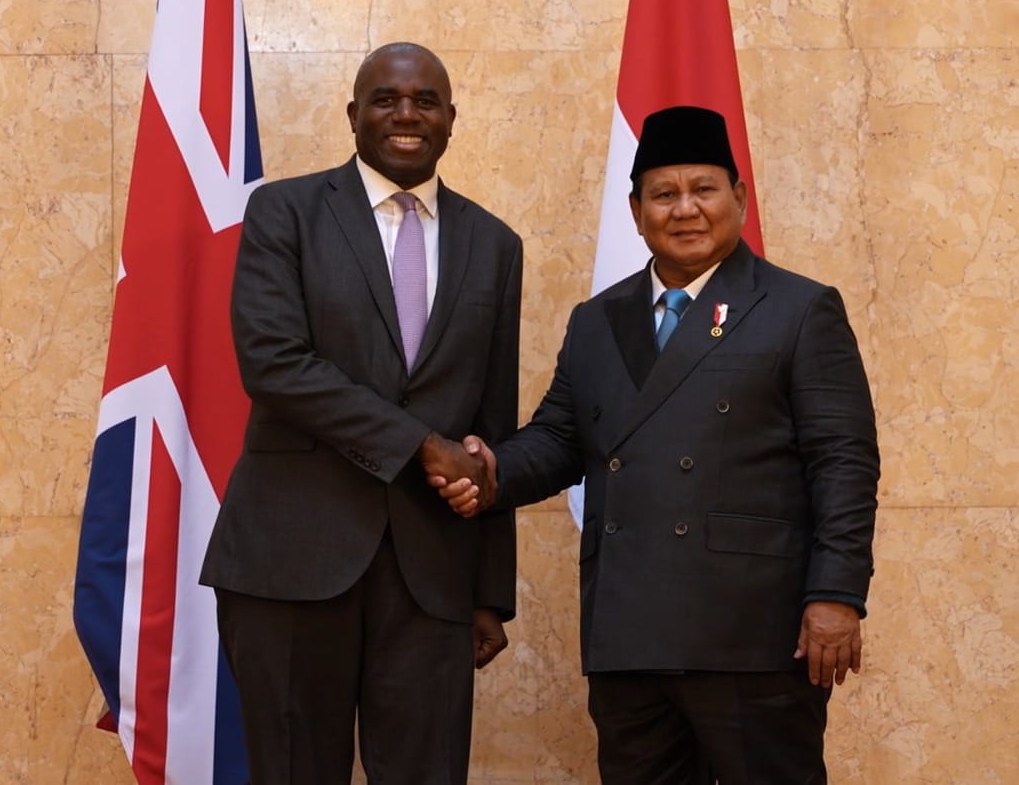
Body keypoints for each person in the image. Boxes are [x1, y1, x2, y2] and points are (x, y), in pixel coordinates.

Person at [432, 105, 879, 783]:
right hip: (630, 633)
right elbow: (559, 439)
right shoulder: (597, 320)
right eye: (664, 194)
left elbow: (843, 463)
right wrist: (489, 469)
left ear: (739, 197)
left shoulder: (798, 309)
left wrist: (837, 595)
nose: (685, 209)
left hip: (752, 634)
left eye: (704, 189)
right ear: (636, 211)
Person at [199, 42, 521, 785]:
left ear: (451, 119)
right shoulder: (284, 212)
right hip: (290, 561)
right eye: (385, 99)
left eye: (425, 101)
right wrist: (423, 445)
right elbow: (274, 364)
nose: (406, 115)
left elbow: (491, 424)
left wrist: (489, 592)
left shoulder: (495, 244)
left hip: (432, 576)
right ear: (353, 114)